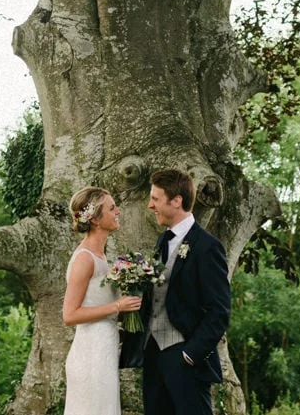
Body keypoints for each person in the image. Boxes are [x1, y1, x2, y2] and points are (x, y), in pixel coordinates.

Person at [141, 168, 231, 415]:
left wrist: (190, 354)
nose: (150, 206)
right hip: (154, 356)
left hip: (186, 359)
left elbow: (219, 311)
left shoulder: (208, 247)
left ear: (177, 200)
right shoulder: (162, 241)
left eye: (155, 199)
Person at [63, 186, 144, 415]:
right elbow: (70, 315)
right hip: (90, 353)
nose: (117, 211)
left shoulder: (101, 256)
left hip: (104, 348)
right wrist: (118, 306)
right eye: (111, 208)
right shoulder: (84, 259)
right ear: (96, 219)